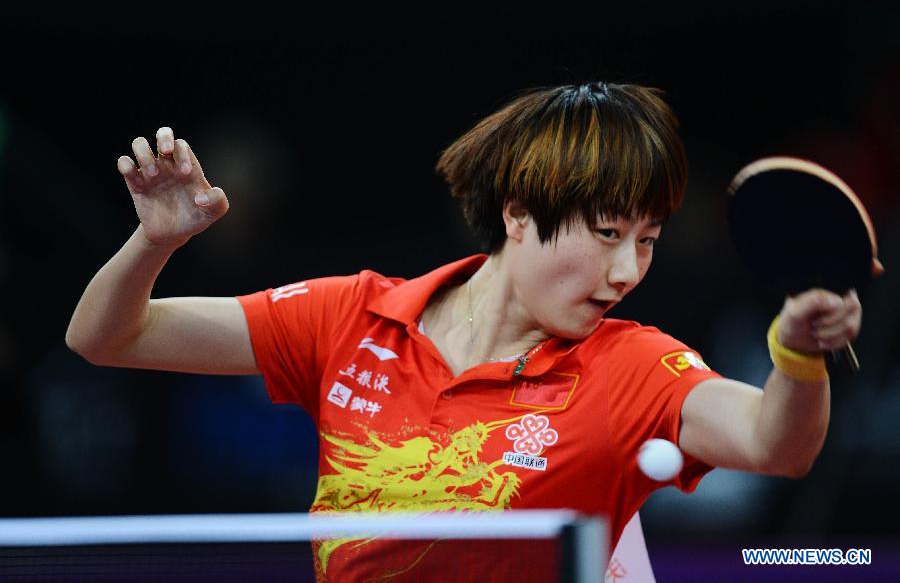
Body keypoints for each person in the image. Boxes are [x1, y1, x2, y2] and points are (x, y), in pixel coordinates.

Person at [67, 82, 861, 581]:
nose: (628, 272)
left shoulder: (632, 366)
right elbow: (109, 338)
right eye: (609, 233)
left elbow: (774, 447)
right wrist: (156, 241)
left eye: (647, 240)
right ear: (518, 213)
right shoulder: (350, 318)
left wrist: (797, 355)